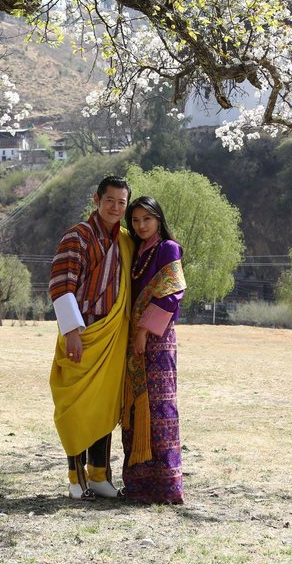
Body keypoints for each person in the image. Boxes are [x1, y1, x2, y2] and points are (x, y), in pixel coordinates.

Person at [49, 175, 134, 500]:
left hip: (113, 335)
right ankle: (75, 477)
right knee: (76, 406)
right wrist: (71, 331)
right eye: (110, 200)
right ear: (97, 200)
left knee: (103, 405)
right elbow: (61, 284)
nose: (115, 207)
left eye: (121, 202)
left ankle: (99, 474)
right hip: (83, 333)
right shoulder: (79, 236)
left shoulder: (125, 240)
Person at [121, 196, 186, 505]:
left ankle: (165, 486)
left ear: (159, 219)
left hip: (157, 339)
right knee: (134, 410)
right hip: (132, 339)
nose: (141, 225)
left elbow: (172, 294)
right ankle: (138, 485)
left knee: (159, 409)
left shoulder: (168, 249)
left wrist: (145, 330)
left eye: (147, 219)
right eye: (135, 220)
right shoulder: (135, 252)